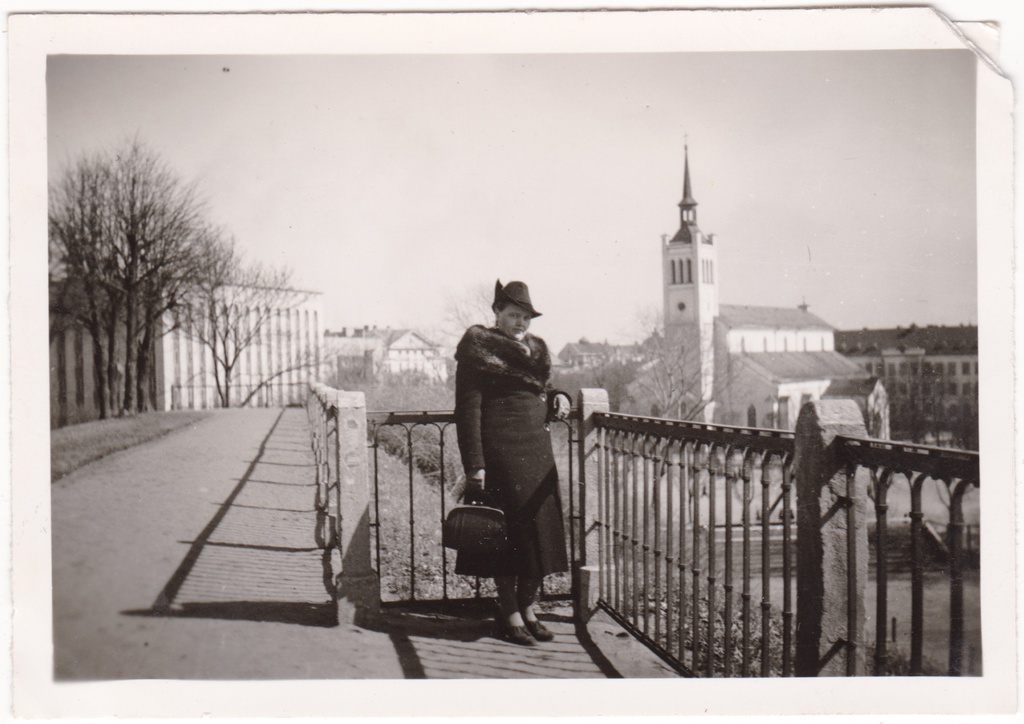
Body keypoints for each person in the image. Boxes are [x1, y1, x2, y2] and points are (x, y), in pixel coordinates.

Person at [453, 280, 572, 646]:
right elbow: (468, 410)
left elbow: (536, 387)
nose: (520, 323)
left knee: (540, 533)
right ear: (497, 313)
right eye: (513, 315)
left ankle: (527, 605)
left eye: (525, 317)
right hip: (501, 451)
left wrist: (559, 396)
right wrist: (475, 465)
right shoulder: (479, 349)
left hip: (537, 451)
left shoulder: (536, 349)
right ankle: (509, 611)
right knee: (508, 536)